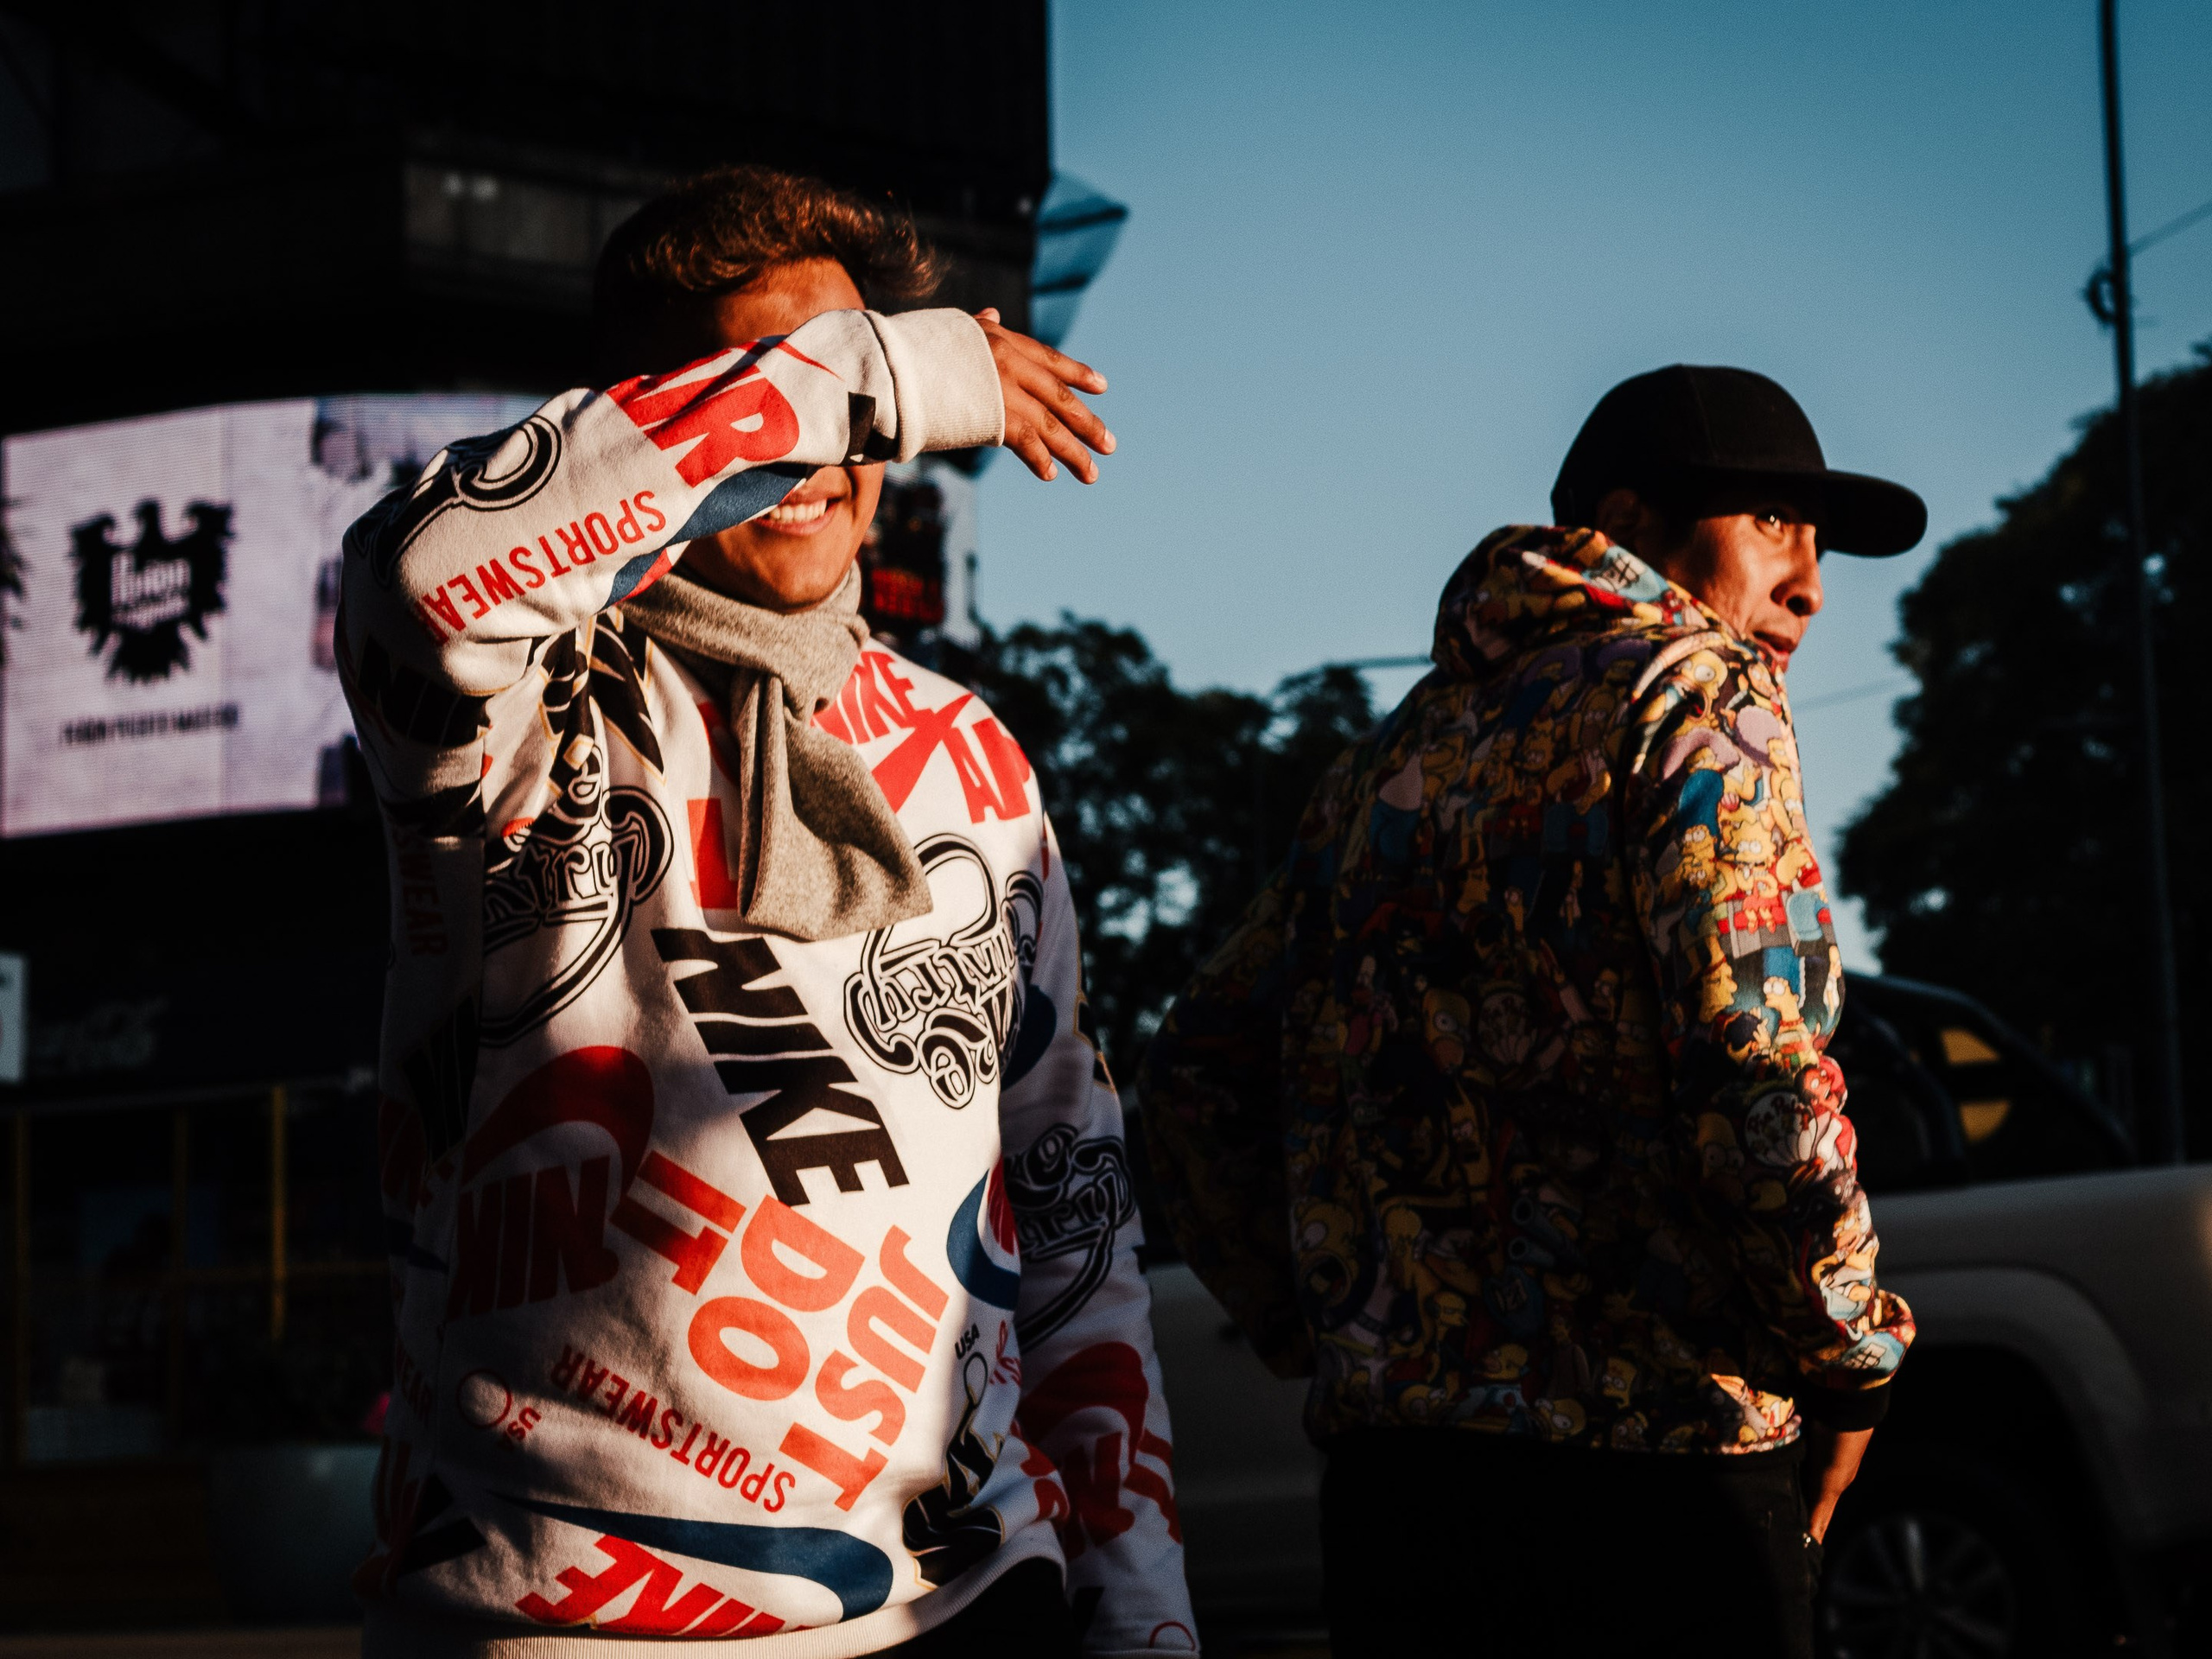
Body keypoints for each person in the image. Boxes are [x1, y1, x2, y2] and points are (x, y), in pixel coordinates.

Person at [343, 165, 1193, 1658]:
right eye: (782, 393)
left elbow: (1072, 1211)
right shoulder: (528, 702)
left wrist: (1145, 1611)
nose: (836, 440)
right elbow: (423, 575)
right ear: (648, 421)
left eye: (862, 406)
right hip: (563, 1613)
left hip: (975, 1601)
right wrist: (879, 367)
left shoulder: (976, 757)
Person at [1141, 364, 1923, 1657]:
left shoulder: (1388, 757)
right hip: (1662, 1480)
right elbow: (1760, 1068)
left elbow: (1195, 1067)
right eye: (1776, 525)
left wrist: (1325, 1324)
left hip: (1405, 1492)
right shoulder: (1699, 692)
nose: (1813, 583)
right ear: (1623, 523)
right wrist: (1849, 1356)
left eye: (1822, 544)